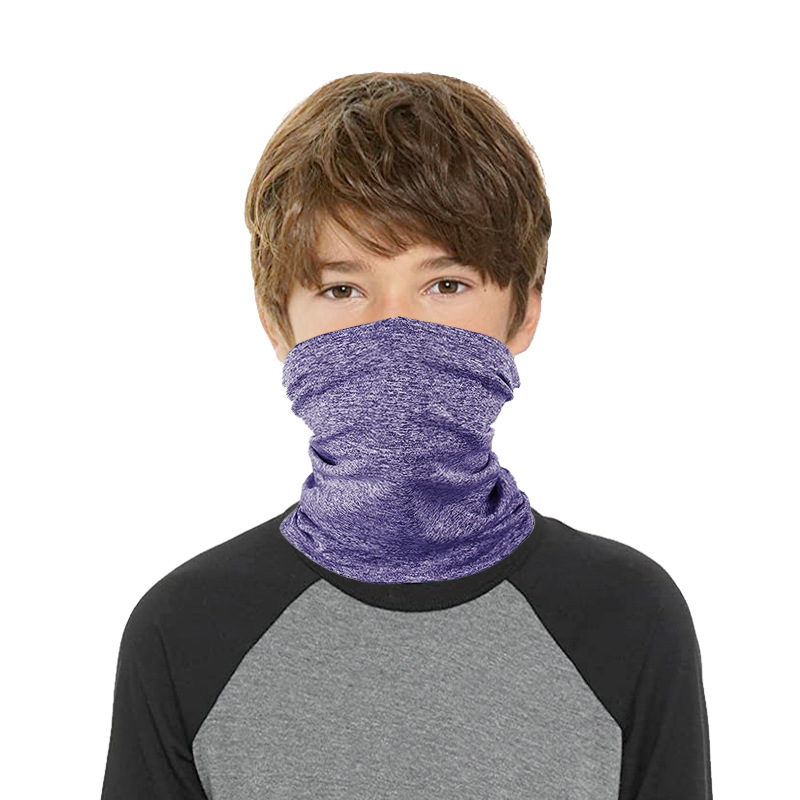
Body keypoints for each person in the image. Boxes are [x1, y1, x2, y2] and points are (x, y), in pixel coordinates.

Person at [100, 71, 712, 798]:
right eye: (342, 288)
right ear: (276, 325)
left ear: (523, 313)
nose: (393, 329)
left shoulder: (630, 619)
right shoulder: (183, 634)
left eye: (446, 285)